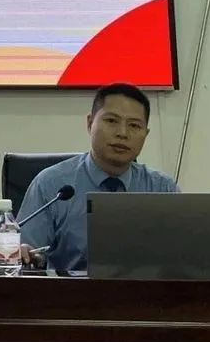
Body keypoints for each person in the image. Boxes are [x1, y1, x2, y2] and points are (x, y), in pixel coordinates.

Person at [18, 83, 178, 273]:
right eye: (111, 121)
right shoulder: (52, 185)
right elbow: (26, 253)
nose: (122, 133)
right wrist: (24, 253)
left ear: (146, 134)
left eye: (134, 125)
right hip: (70, 291)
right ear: (90, 123)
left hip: (145, 291)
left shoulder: (162, 189)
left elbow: (183, 260)